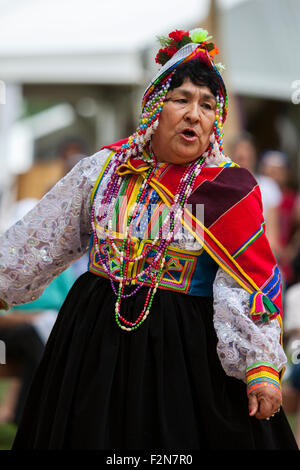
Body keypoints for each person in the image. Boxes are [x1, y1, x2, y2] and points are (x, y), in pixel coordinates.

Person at [0, 28, 297, 450]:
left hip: (185, 351)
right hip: (94, 340)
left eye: (208, 105)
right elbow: (39, 237)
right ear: (155, 108)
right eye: (182, 100)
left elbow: (247, 284)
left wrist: (260, 367)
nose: (195, 114)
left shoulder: (229, 191)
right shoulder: (103, 171)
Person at [230, 133, 282, 257]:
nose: (242, 155)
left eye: (246, 151)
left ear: (253, 155)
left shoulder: (268, 186)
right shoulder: (222, 186)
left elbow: (272, 233)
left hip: (260, 256)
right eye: (238, 152)